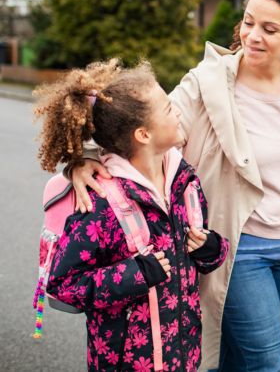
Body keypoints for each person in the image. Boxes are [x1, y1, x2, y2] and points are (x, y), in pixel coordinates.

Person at [71, 0, 280, 372]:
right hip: (239, 248)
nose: (252, 36)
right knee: (264, 359)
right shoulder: (207, 84)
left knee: (237, 355)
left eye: (269, 29)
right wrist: (86, 156)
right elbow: (143, 129)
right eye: (248, 22)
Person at [34, 60, 229, 371]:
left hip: (184, 355)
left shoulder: (185, 180)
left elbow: (204, 248)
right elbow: (63, 284)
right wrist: (135, 274)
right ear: (143, 134)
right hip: (125, 362)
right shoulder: (99, 202)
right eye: (168, 108)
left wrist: (212, 249)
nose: (177, 111)